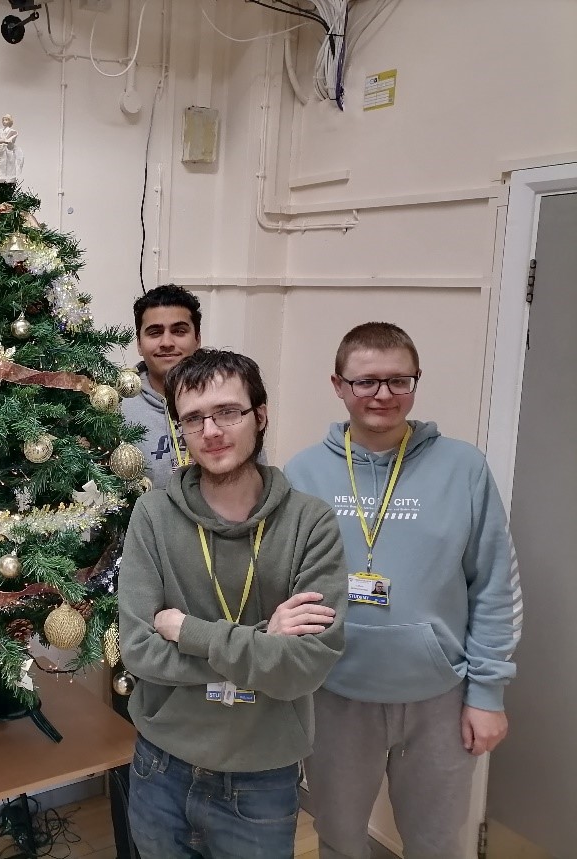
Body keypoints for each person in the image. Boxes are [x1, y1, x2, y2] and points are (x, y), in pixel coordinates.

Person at [284, 322, 521, 859]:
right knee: (340, 839)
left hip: (439, 697)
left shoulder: (463, 468)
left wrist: (487, 694)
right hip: (336, 694)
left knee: (436, 844)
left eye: (399, 380)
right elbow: (284, 584)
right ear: (338, 385)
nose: (383, 395)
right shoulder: (303, 473)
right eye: (366, 381)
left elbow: (494, 586)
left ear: (416, 382)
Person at [119, 348, 348, 859]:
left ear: (260, 415)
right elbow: (139, 651)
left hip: (261, 775)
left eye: (227, 412)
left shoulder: (310, 523)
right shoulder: (153, 516)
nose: (211, 431)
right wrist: (264, 641)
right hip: (162, 766)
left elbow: (303, 668)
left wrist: (189, 631)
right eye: (194, 418)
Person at [121, 284, 204, 489]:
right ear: (139, 344)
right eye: (155, 332)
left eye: (179, 331)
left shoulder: (224, 399)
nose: (166, 342)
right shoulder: (117, 407)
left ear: (197, 339)